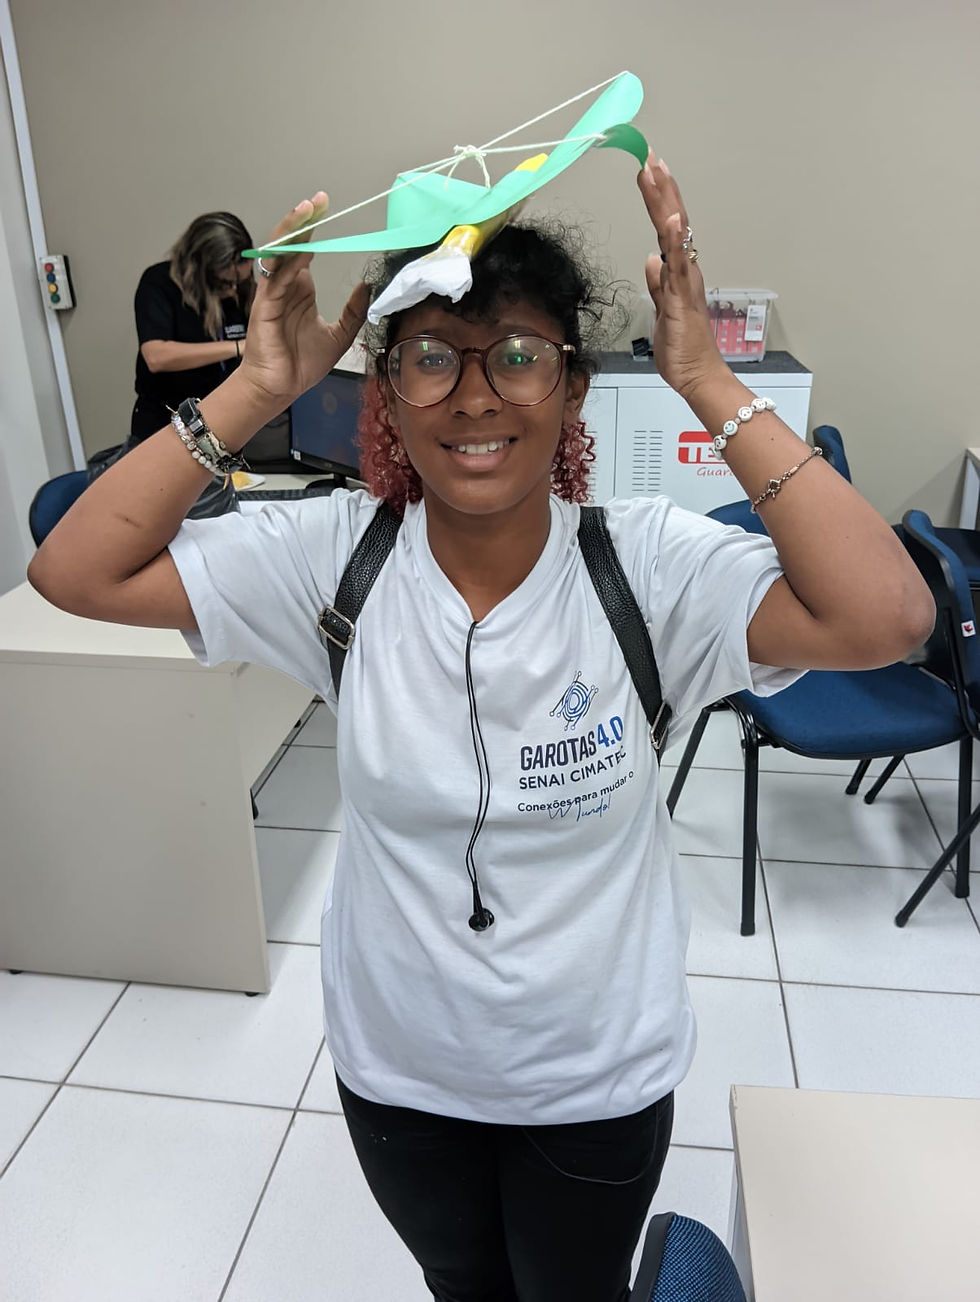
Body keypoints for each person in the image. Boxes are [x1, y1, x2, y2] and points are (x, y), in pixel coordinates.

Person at [28, 157, 934, 1302]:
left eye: (516, 354)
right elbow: (73, 570)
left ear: (570, 385)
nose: (473, 394)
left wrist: (703, 376)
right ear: (386, 392)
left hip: (593, 1076)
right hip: (399, 1073)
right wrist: (253, 389)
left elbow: (887, 616)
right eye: (429, 357)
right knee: (458, 1281)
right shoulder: (334, 554)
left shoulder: (645, 564)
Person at [130, 210, 255, 446]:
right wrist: (237, 347)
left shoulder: (242, 291)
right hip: (166, 428)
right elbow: (156, 356)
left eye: (239, 282)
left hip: (223, 428)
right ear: (198, 269)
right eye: (224, 283)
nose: (233, 291)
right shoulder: (160, 284)